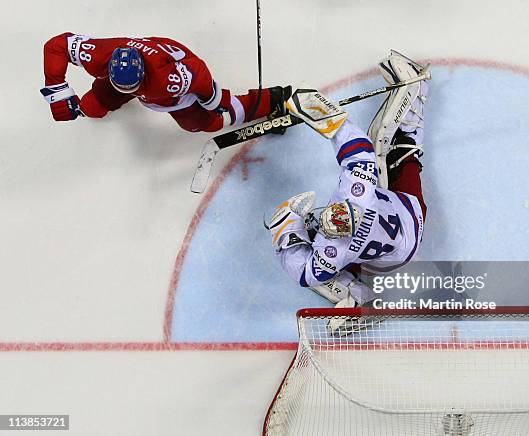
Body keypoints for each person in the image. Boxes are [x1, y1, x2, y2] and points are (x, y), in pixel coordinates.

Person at [266, 51, 429, 317]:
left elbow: (306, 274)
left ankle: (359, 298)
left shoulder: (334, 247)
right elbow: (360, 152)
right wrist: (329, 119)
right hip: (409, 221)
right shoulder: (358, 199)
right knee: (398, 151)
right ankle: (415, 88)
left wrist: (290, 232)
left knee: (325, 278)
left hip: (409, 228)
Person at [40, 33, 290, 135]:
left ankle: (271, 100)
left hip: (173, 80)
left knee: (207, 124)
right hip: (146, 75)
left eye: (132, 88)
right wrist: (58, 92)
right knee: (93, 107)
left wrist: (217, 101)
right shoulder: (101, 54)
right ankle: (110, 95)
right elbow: (56, 45)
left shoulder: (167, 82)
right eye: (122, 87)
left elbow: (200, 74)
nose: (128, 91)